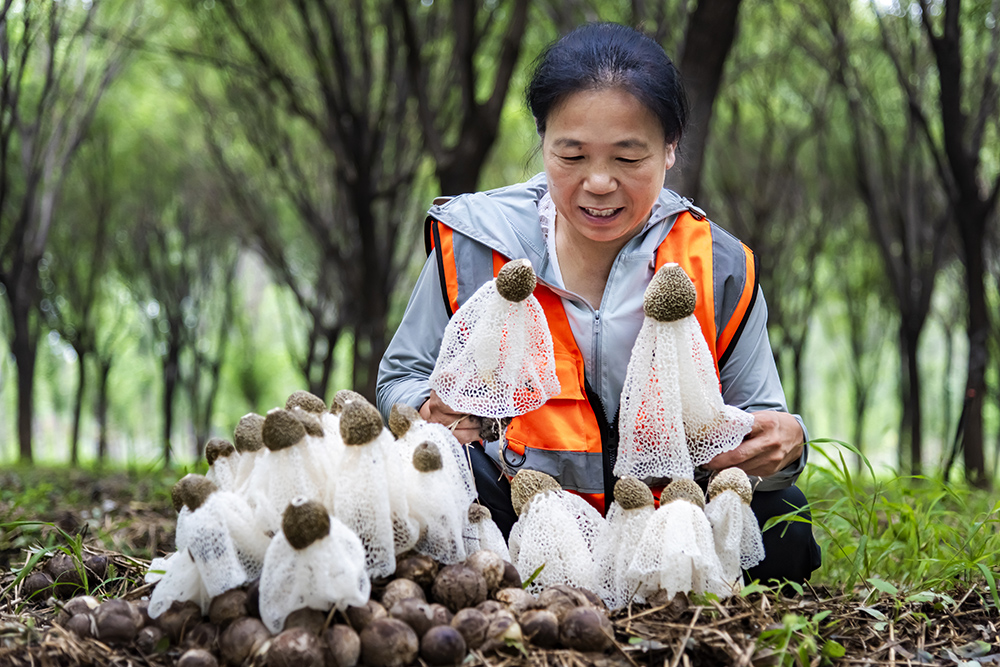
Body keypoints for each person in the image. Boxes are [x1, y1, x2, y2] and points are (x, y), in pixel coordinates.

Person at [377, 22, 821, 584]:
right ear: (543, 141)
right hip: (515, 502)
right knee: (423, 491)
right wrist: (428, 408)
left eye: (628, 158)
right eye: (572, 154)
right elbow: (401, 377)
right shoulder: (473, 242)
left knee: (785, 523)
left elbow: (762, 428)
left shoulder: (719, 264)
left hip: (669, 517)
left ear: (670, 149)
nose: (599, 182)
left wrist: (787, 444)